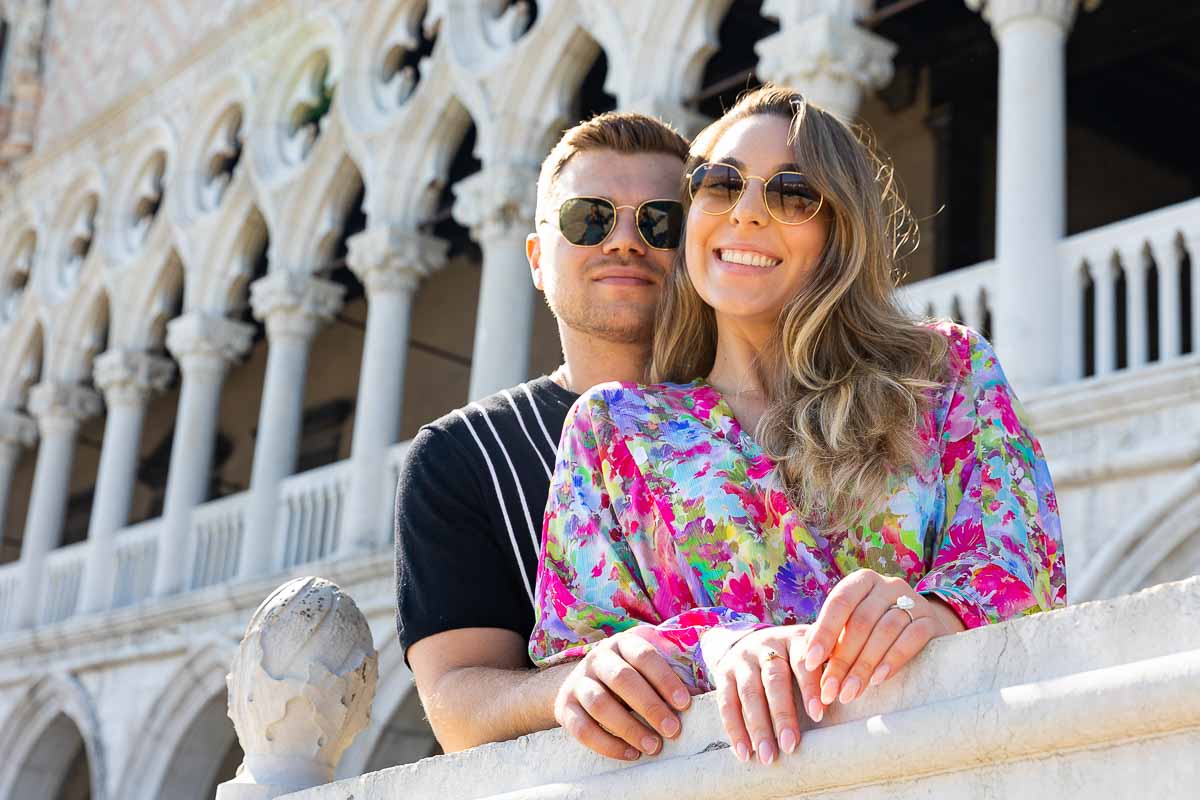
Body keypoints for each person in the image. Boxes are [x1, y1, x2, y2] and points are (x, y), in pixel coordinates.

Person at [530, 85, 1067, 767]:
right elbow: (586, 658)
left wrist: (927, 614)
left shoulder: (943, 373)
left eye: (792, 194)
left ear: (838, 230)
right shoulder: (615, 431)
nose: (747, 214)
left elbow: (1022, 573)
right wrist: (714, 647)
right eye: (720, 184)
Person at [395, 111, 695, 756]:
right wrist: (578, 684)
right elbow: (456, 704)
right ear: (537, 258)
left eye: (659, 222)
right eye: (589, 217)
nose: (624, 241)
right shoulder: (464, 455)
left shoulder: (765, 417)